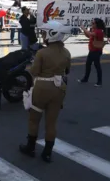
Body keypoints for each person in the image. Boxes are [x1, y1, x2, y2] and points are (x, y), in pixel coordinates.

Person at [19, 20, 71, 163]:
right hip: (59, 88)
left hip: (42, 87)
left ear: (51, 34)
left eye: (44, 32)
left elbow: (34, 72)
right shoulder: (66, 52)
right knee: (51, 122)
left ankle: (30, 148)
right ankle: (47, 153)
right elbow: (67, 70)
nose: (42, 35)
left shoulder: (42, 52)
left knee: (34, 119)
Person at [78, 18, 106, 87]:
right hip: (92, 50)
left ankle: (99, 81)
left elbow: (90, 34)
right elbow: (88, 35)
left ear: (97, 24)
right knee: (88, 64)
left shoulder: (99, 31)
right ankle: (86, 79)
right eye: (92, 23)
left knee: (97, 66)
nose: (91, 24)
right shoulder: (95, 30)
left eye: (93, 23)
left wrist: (83, 28)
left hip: (96, 51)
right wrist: (84, 30)